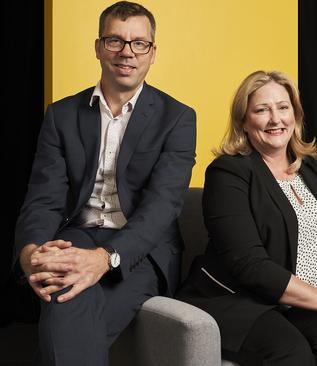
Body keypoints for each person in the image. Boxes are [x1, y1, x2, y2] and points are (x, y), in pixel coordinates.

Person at [13, 2, 196, 365]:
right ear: (98, 47)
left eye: (139, 43)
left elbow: (162, 208)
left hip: (142, 250)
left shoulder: (177, 118)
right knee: (66, 289)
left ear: (152, 52)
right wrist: (30, 253)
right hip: (77, 234)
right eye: (115, 40)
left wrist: (105, 258)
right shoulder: (61, 115)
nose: (126, 52)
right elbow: (43, 199)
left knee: (63, 308)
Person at [176, 70, 317, 366]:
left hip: (300, 304)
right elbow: (249, 265)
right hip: (238, 299)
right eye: (262, 110)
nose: (275, 119)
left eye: (283, 107)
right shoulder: (228, 173)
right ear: (244, 121)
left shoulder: (312, 169)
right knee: (291, 353)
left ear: (296, 115)